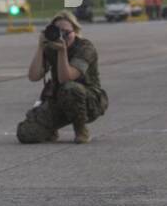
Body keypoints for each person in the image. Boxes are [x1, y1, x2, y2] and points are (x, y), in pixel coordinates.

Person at [16, 11, 108, 144]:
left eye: (66, 32)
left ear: (75, 31)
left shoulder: (85, 48)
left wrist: (62, 51)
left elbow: (66, 78)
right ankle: (50, 129)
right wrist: (41, 47)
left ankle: (80, 128)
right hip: (60, 100)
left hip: (89, 101)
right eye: (58, 32)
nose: (62, 36)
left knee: (70, 88)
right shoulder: (51, 48)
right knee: (26, 134)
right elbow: (34, 76)